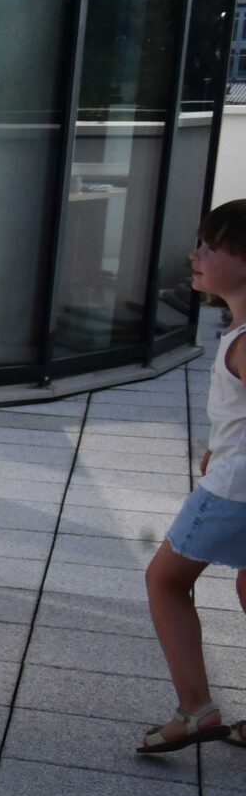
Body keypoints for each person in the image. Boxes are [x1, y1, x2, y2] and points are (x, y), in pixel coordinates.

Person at [140, 203, 246, 753]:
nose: (195, 255)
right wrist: (221, 445)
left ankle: (196, 710)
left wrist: (230, 459)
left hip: (234, 491)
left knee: (165, 580)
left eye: (210, 246)